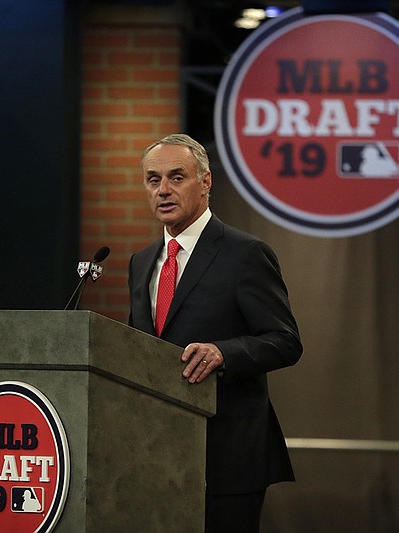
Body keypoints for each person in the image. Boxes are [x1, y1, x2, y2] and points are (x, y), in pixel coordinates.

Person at [128, 133, 303, 533]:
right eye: (153, 180)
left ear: (206, 182)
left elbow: (285, 340)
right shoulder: (141, 263)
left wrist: (224, 353)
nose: (163, 190)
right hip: (157, 450)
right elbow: (135, 346)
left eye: (177, 177)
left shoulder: (245, 254)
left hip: (228, 454)